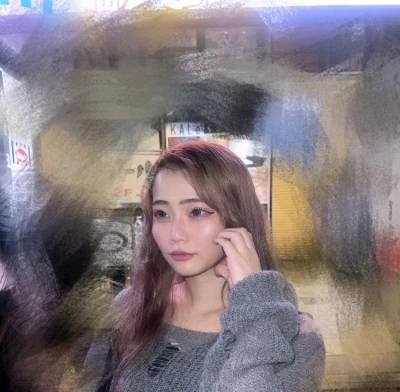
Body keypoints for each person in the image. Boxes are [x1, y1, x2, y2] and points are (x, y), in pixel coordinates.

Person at [82, 140, 325, 392]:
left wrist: (254, 307)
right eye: (161, 214)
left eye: (197, 211)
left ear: (237, 216)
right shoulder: (133, 306)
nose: (175, 234)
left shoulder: (295, 338)